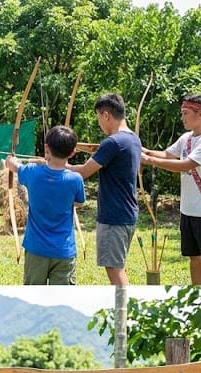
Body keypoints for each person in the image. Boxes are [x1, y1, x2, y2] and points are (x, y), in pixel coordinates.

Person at [142, 94, 201, 285]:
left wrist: (149, 160)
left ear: (200, 114)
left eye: (185, 113)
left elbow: (186, 165)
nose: (182, 118)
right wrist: (142, 150)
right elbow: (167, 154)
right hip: (188, 210)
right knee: (194, 256)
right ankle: (196, 296)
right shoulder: (186, 138)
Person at [67, 93, 141, 285]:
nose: (99, 123)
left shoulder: (113, 142)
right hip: (127, 213)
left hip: (114, 217)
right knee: (118, 267)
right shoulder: (133, 139)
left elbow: (83, 172)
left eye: (99, 117)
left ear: (106, 115)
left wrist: (57, 164)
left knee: (114, 271)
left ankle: (126, 311)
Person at [4, 125, 86, 285]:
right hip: (64, 251)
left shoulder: (32, 172)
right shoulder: (76, 179)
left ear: (46, 148)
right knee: (61, 300)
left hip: (36, 249)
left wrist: (10, 160)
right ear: (73, 152)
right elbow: (79, 203)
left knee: (33, 298)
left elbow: (14, 166)